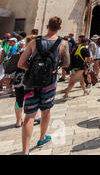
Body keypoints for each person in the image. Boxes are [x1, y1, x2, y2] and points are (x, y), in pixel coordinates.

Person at [17, 17, 70, 155]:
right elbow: (67, 63)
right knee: (46, 111)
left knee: (29, 116)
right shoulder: (63, 43)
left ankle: (25, 151)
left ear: (47, 26)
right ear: (59, 28)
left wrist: (34, 70)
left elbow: (21, 64)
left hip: (31, 83)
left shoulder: (34, 41)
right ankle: (42, 138)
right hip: (49, 83)